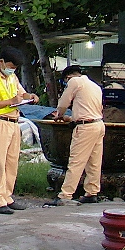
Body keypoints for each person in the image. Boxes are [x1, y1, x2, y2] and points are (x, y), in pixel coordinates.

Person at [0, 47, 38, 215]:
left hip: (14, 122)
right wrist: (9, 102)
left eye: (15, 67)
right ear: (2, 62)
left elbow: (22, 94)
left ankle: (7, 196)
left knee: (12, 161)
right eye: (11, 66)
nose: (12, 70)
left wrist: (30, 96)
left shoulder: (12, 77)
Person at [45, 65, 105, 206]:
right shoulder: (94, 86)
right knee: (94, 162)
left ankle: (65, 194)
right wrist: (70, 118)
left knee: (76, 161)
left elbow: (64, 102)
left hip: (85, 128)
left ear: (68, 77)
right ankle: (92, 192)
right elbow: (87, 109)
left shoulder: (74, 82)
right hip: (98, 124)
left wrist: (59, 115)